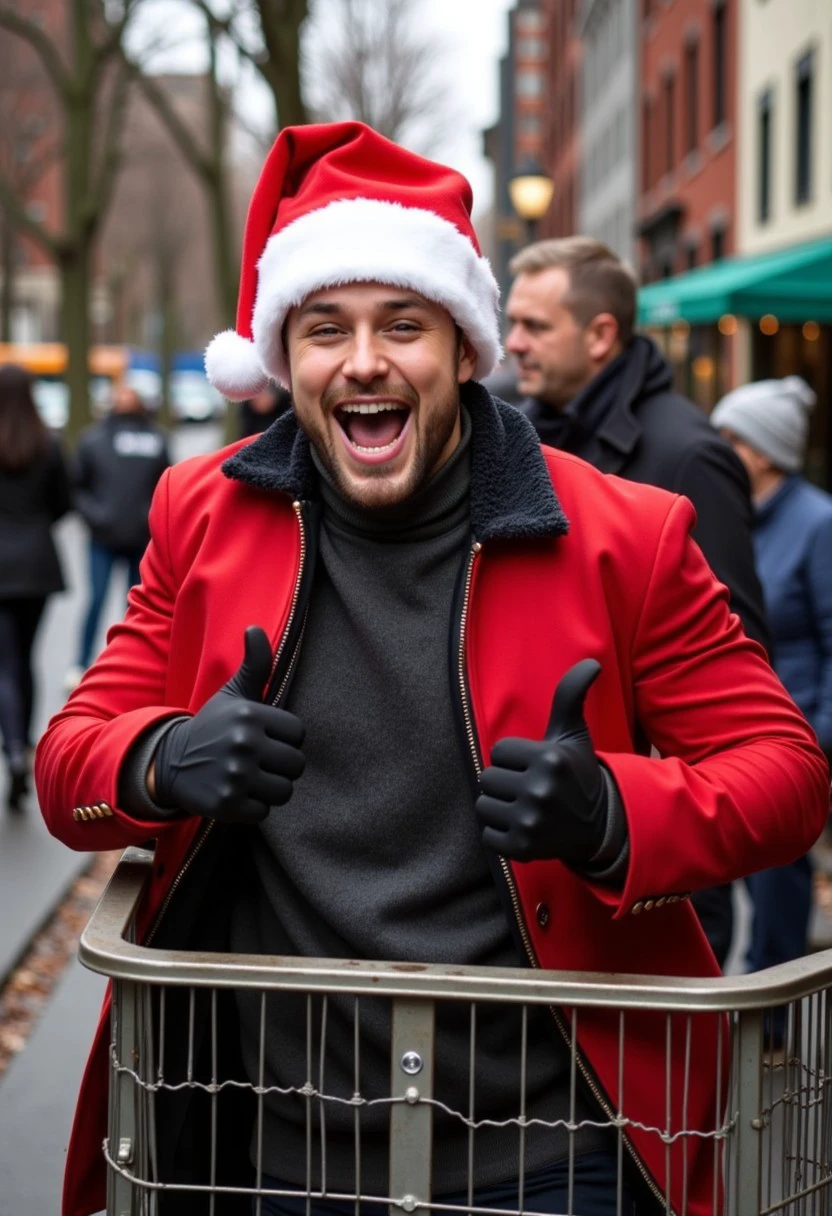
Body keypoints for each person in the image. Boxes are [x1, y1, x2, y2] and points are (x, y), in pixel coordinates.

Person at [36, 124, 828, 1216]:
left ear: (462, 348)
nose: (363, 361)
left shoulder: (626, 534)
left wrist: (611, 809)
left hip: (554, 1156)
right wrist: (163, 757)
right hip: (259, 1145)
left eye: (401, 324)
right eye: (325, 330)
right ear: (283, 360)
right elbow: (67, 763)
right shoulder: (200, 512)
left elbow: (785, 776)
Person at [505, 237, 770, 968]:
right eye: (512, 323)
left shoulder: (687, 454)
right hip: (539, 823)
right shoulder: (519, 434)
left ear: (600, 334)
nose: (513, 343)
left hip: (651, 835)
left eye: (534, 326)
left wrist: (631, 805)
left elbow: (734, 645)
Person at [712, 376, 832, 990]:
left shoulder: (817, 524)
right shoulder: (741, 517)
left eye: (727, 436)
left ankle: (776, 1016)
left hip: (799, 734)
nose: (715, 446)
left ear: (761, 451)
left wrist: (819, 736)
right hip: (738, 736)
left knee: (778, 882)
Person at [65, 383, 169, 688]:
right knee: (96, 601)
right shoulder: (92, 440)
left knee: (138, 606)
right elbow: (76, 486)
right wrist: (95, 517)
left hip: (141, 540)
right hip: (103, 539)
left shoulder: (155, 439)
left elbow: (166, 482)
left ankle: (132, 668)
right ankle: (80, 662)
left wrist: (150, 519)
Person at [0, 364, 70, 809]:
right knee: (24, 659)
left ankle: (11, 751)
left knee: (3, 663)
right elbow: (63, 504)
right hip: (37, 563)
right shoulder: (49, 443)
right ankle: (23, 743)